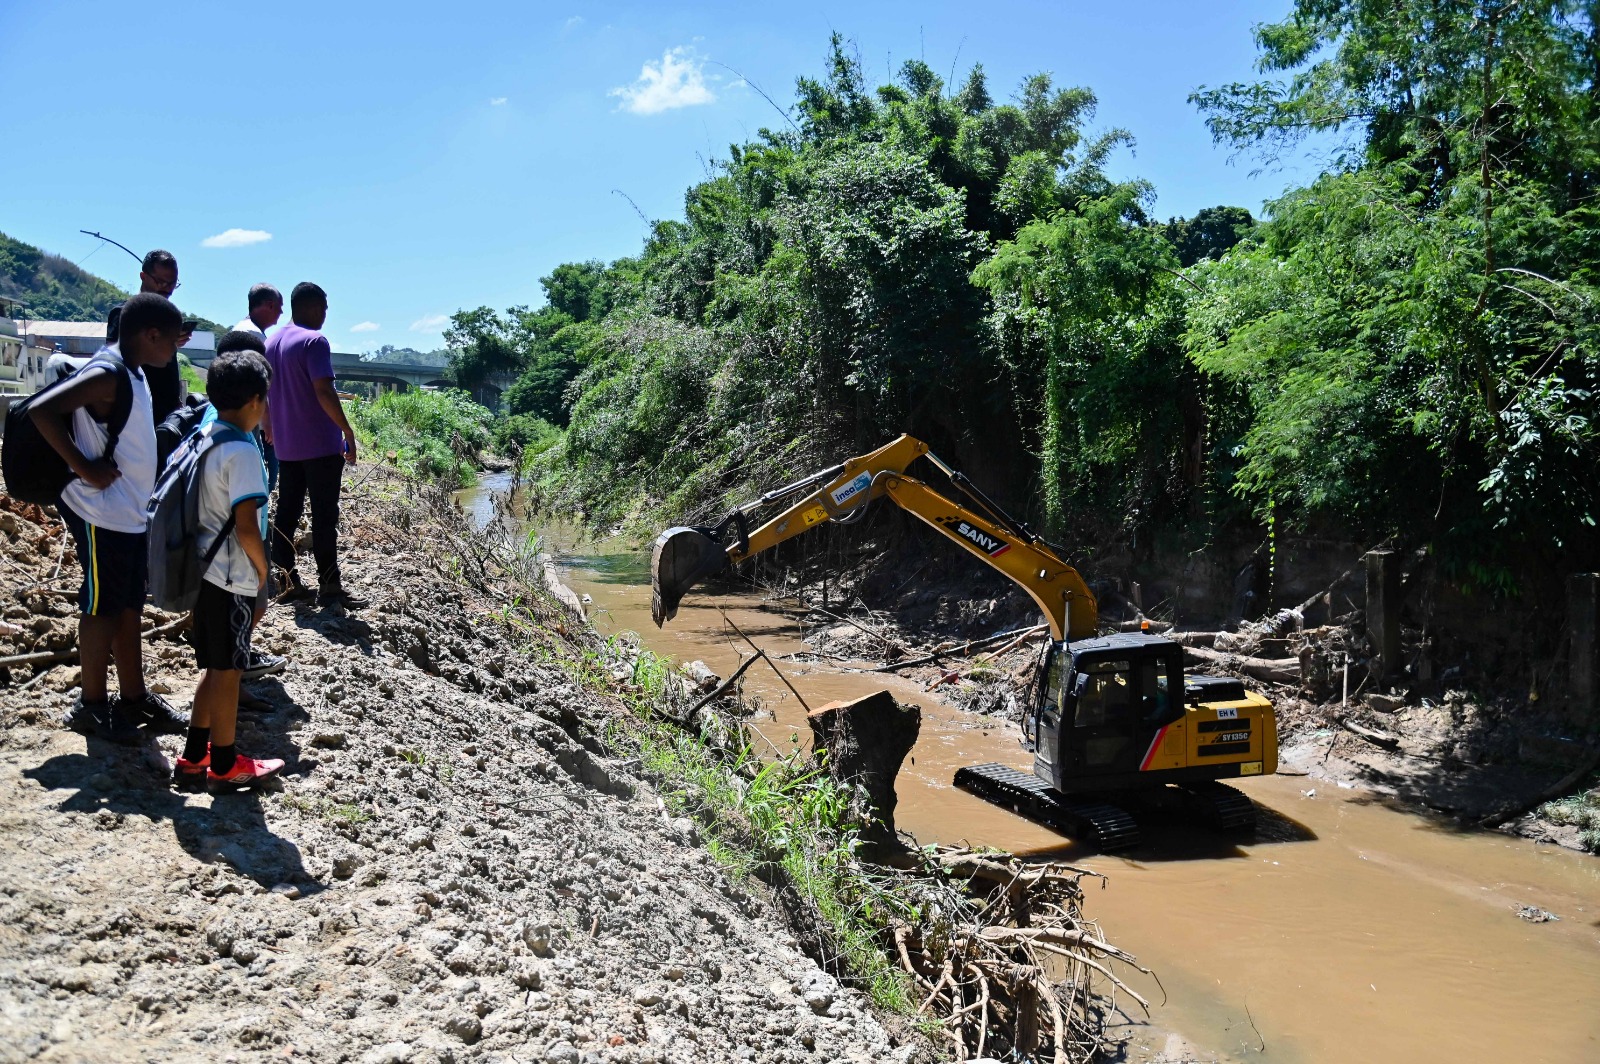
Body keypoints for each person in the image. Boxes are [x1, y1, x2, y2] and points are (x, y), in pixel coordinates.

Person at [30, 293, 189, 742]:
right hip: (102, 513)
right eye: (172, 342)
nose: (174, 352)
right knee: (101, 608)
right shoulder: (108, 371)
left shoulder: (134, 371)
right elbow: (42, 411)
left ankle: (135, 698)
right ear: (150, 334)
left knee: (128, 605)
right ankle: (92, 704)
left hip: (129, 514)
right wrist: (84, 468)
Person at [171, 349, 286, 792]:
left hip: (204, 572)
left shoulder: (207, 436)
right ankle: (224, 764)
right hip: (231, 576)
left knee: (214, 667)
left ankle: (194, 757)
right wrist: (262, 572)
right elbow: (246, 525)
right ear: (257, 401)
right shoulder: (241, 451)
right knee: (229, 671)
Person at [265, 282, 366, 609]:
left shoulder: (271, 342)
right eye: (322, 307)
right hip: (321, 446)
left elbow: (266, 394)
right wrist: (346, 431)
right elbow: (324, 391)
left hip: (288, 446)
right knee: (324, 516)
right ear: (309, 307)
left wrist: (271, 427)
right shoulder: (314, 341)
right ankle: (330, 587)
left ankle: (285, 580)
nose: (325, 314)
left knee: (286, 513)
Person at [106, 250, 189, 425]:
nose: (167, 288)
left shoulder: (168, 318)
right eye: (160, 281)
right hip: (135, 415)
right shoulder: (123, 314)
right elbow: (114, 362)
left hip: (167, 415)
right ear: (143, 277)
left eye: (172, 283)